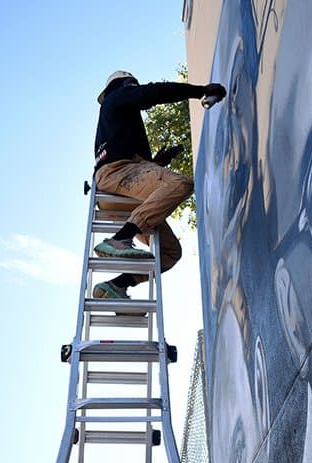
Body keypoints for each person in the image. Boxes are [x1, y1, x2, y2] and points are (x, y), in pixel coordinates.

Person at [91, 70, 226, 301]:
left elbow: (138, 167)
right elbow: (154, 92)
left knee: (170, 253)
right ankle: (120, 238)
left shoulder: (118, 120)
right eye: (132, 85)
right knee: (181, 183)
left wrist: (158, 162)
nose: (134, 88)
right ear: (125, 84)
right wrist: (200, 90)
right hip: (116, 174)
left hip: (125, 189)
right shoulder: (117, 97)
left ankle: (116, 285)